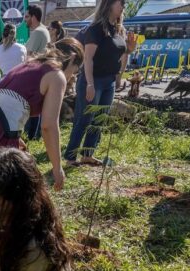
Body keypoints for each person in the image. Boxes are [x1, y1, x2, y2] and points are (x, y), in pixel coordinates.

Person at [0, 38, 84, 220]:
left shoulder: (32, 64)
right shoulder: (56, 75)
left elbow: (10, 99)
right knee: (2, 194)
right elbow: (49, 126)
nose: (73, 76)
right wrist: (57, 168)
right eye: (75, 70)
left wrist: (15, 136)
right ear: (72, 58)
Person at [63, 0, 137, 166]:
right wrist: (89, 83)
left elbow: (118, 53)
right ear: (109, 5)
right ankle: (70, 157)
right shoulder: (96, 29)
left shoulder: (119, 29)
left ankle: (88, 154)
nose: (123, 7)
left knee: (99, 119)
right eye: (121, 4)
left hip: (109, 81)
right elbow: (88, 58)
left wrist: (130, 48)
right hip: (93, 80)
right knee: (84, 119)